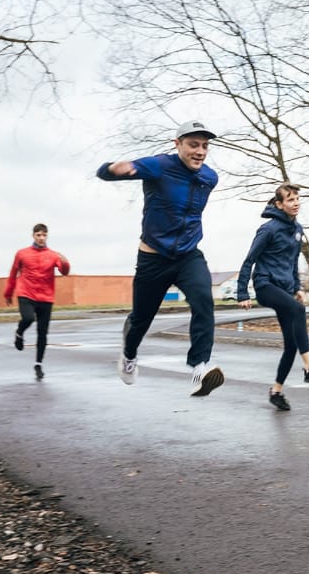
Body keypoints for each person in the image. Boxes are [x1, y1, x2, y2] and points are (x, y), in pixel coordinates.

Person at [97, 120, 226, 397]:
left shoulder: (209, 177)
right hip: (153, 259)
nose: (200, 151)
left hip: (188, 256)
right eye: (193, 145)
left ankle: (200, 367)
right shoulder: (159, 166)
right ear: (177, 144)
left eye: (205, 146)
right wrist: (113, 169)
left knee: (203, 300)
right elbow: (106, 173)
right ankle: (129, 356)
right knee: (141, 319)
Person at [236, 183, 309, 411]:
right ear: (279, 204)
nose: (296, 202)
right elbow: (250, 259)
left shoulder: (298, 229)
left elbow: (293, 261)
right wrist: (242, 292)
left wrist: (297, 286)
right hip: (265, 285)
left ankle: (276, 391)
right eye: (290, 199)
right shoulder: (268, 229)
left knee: (291, 345)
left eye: (297, 198)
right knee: (299, 311)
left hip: (285, 289)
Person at [3, 223, 70, 380]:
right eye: (38, 235)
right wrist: (8, 293)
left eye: (44, 235)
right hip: (26, 293)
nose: (41, 238)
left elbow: (64, 272)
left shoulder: (53, 255)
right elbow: (13, 274)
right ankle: (19, 333)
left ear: (47, 236)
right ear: (33, 236)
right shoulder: (22, 254)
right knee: (28, 318)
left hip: (46, 297)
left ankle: (38, 364)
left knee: (42, 332)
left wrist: (65, 262)